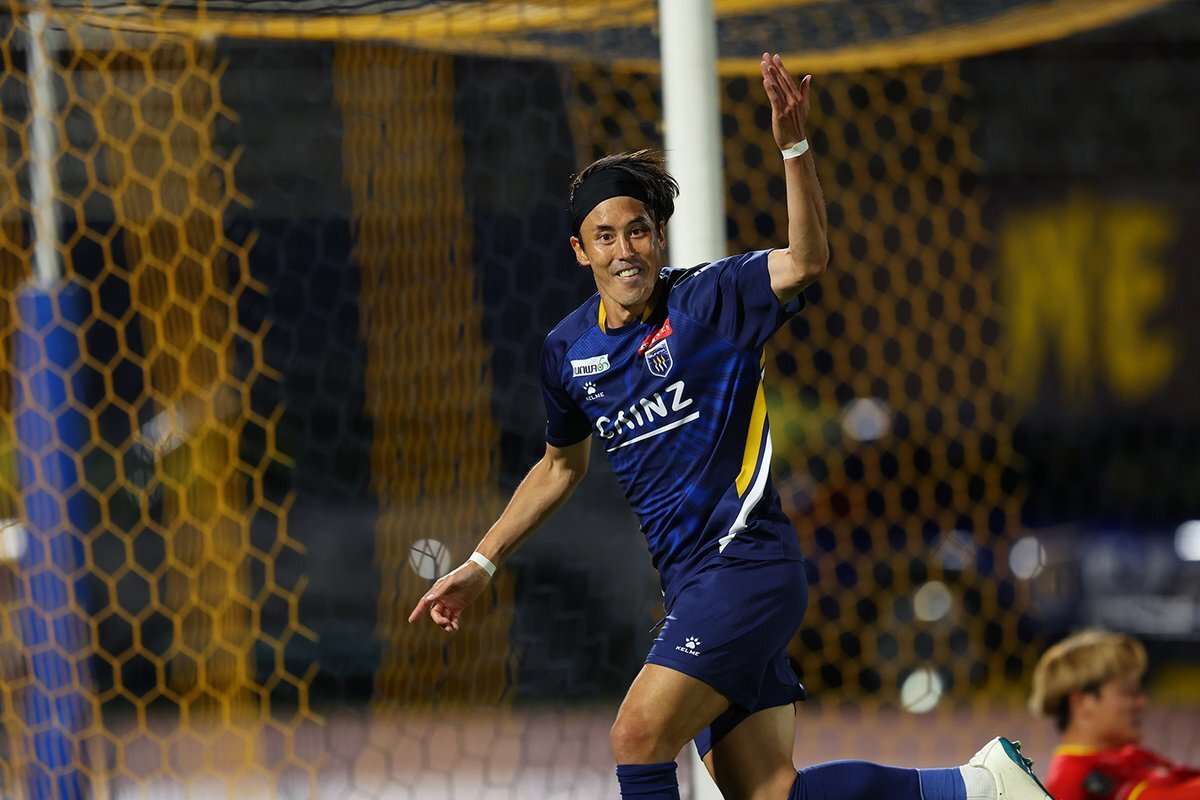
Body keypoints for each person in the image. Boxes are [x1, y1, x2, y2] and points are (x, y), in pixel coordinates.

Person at [410, 52, 1052, 800]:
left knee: (636, 737)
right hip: (690, 584)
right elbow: (560, 466)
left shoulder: (710, 300)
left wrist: (794, 146)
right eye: (606, 236)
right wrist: (482, 564)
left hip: (747, 565)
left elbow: (808, 259)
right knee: (769, 793)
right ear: (580, 251)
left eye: (639, 231)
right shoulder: (566, 351)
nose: (626, 251)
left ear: (659, 236)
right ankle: (979, 787)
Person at [1029, 629, 1200, 800]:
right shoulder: (1069, 780)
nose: (1141, 703)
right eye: (1129, 693)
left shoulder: (1135, 757)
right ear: (1082, 704)